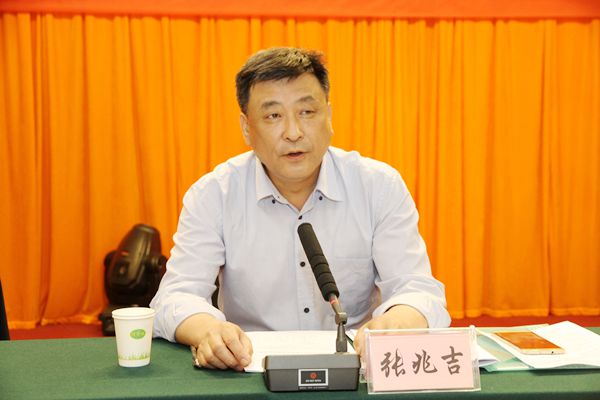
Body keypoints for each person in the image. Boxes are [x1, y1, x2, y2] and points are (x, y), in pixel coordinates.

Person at [150, 47, 451, 372]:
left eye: (307, 112)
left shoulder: (378, 186)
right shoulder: (214, 194)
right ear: (247, 128)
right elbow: (175, 296)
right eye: (273, 116)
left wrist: (400, 319)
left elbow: (417, 289)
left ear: (329, 116)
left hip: (355, 370)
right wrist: (208, 329)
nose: (293, 132)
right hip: (249, 371)